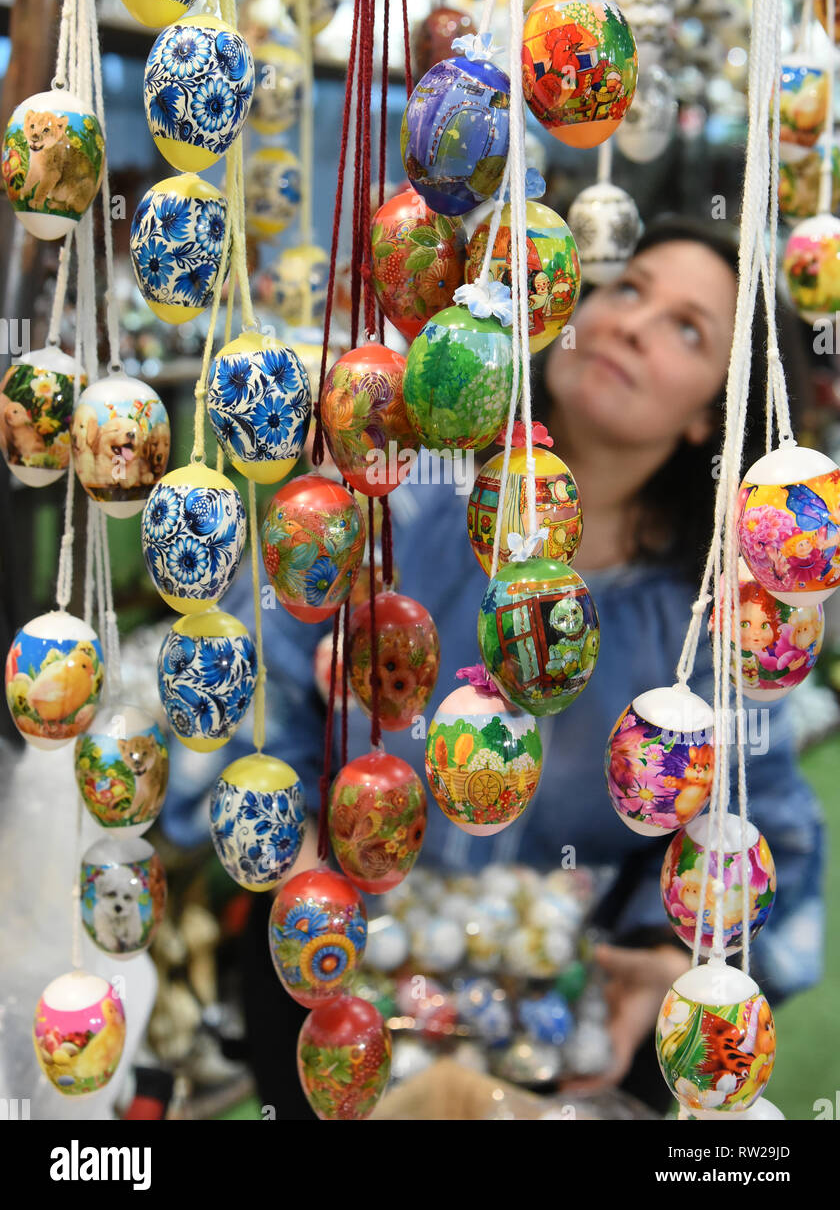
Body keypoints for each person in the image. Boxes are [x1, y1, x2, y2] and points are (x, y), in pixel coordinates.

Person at [161, 216, 825, 1118]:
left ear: (710, 412)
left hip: (551, 1031)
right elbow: (249, 689)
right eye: (628, 288)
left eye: (686, 328)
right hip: (335, 997)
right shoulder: (402, 504)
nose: (630, 322)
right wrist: (298, 870)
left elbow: (772, 837)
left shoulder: (712, 629)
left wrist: (672, 965)